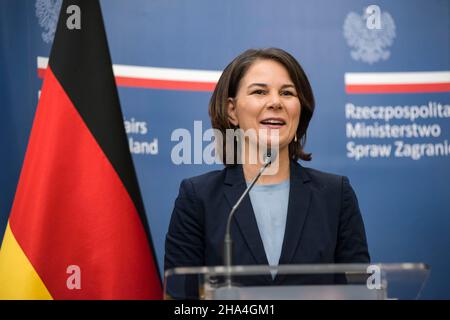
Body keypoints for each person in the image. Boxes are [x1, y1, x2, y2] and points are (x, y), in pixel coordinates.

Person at [164, 48, 370, 298]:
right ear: (232, 111)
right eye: (260, 92)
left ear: (299, 109)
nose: (275, 102)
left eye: (287, 93)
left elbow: (359, 292)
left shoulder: (335, 195)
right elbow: (180, 298)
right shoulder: (198, 197)